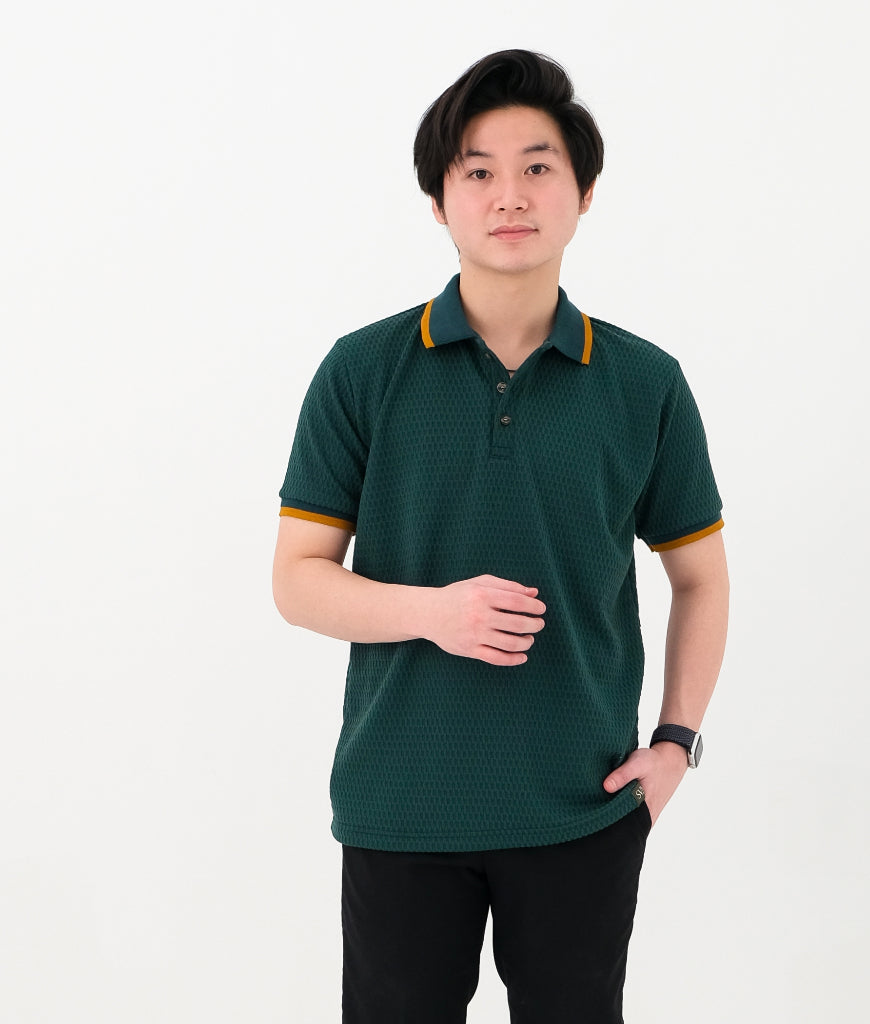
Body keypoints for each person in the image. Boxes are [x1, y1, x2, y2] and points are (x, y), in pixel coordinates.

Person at [272, 48, 729, 1024]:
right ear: (439, 201)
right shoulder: (362, 370)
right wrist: (434, 612)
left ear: (584, 192)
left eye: (537, 166)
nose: (509, 195)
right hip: (399, 808)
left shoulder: (644, 384)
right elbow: (298, 581)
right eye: (477, 170)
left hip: (582, 810)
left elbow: (700, 576)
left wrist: (676, 742)